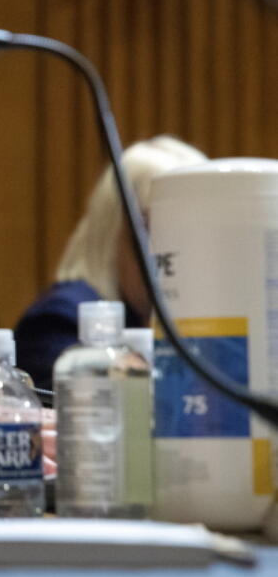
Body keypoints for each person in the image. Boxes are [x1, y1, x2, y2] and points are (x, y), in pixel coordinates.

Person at [14, 136, 206, 390]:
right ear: (116, 230)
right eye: (166, 228)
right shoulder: (60, 322)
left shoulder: (173, 319)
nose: (190, 248)